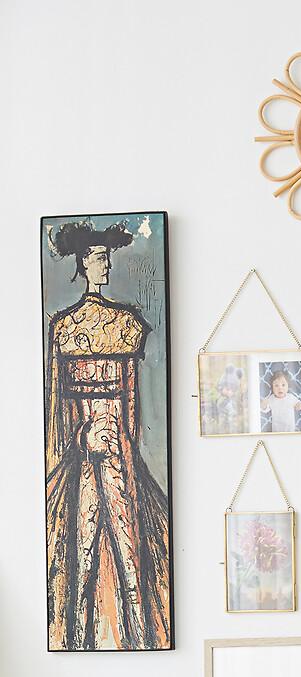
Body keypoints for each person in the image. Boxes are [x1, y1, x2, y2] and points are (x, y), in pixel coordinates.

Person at [45, 220, 171, 650]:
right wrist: (84, 440)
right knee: (81, 556)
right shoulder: (64, 328)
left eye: (108, 258)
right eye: (99, 258)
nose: (107, 266)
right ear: (83, 262)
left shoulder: (126, 324)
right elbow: (58, 410)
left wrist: (119, 447)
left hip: (117, 453)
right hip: (85, 454)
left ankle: (141, 639)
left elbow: (131, 408)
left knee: (130, 553)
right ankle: (76, 642)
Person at [259, 368, 301, 432]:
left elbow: (298, 404)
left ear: (288, 386)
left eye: (283, 385)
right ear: (272, 388)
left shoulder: (290, 397)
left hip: (290, 428)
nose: (280, 388)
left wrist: (299, 405)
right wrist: (264, 405)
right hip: (276, 429)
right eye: (276, 385)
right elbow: (266, 410)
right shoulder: (271, 398)